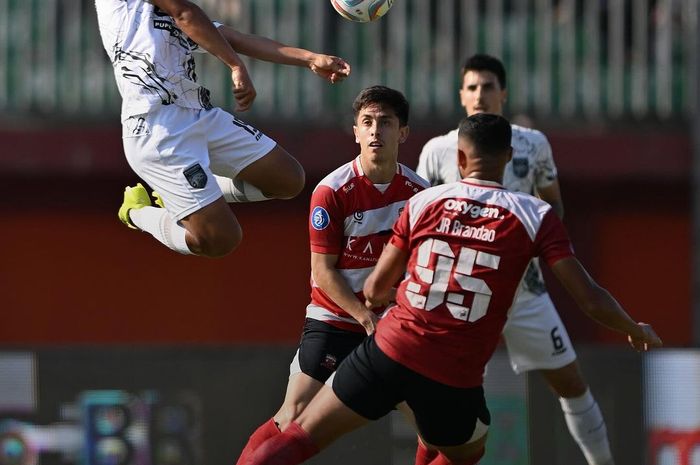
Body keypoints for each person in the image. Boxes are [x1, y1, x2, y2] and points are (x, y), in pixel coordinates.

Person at [237, 113, 662, 465]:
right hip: (453, 374)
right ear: (509, 158)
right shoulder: (535, 215)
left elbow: (377, 287)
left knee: (299, 436)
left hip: (390, 349)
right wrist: (633, 326)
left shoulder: (425, 201)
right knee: (468, 450)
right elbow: (588, 297)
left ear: (459, 157)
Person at [416, 54, 614, 465]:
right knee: (447, 403)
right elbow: (419, 221)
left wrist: (529, 246)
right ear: (460, 95)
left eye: (488, 86)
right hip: (461, 296)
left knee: (572, 383)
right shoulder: (437, 151)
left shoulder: (532, 143)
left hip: (524, 292)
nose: (479, 95)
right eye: (471, 87)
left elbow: (553, 207)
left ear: (502, 93)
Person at [235, 85, 428, 465]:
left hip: (390, 325)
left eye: (386, 123)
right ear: (355, 131)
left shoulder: (421, 195)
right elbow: (322, 272)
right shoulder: (332, 192)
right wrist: (363, 316)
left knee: (432, 426)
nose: (376, 132)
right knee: (292, 416)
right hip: (336, 320)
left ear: (402, 133)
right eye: (367, 122)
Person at [95, 0, 351, 257]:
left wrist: (311, 59)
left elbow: (234, 38)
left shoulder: (166, 13)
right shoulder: (128, 8)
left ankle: (182, 195)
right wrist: (236, 65)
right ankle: (137, 212)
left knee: (288, 179)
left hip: (198, 115)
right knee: (220, 239)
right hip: (157, 131)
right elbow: (185, 13)